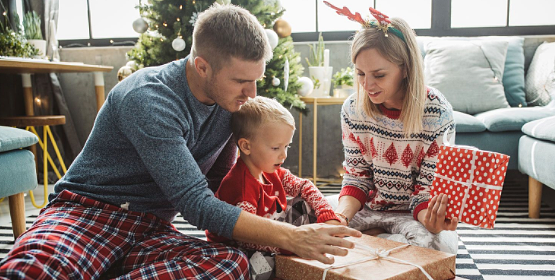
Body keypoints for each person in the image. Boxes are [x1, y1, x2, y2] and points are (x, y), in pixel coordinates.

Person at [0, 4, 360, 280]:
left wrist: (279, 201)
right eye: (240, 81)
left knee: (230, 265)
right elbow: (196, 204)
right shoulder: (148, 98)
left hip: (152, 228)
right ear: (202, 66)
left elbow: (220, 186)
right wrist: (291, 237)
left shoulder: (229, 103)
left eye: (256, 80)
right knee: (30, 272)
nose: (252, 94)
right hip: (88, 214)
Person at [324, 2, 458, 254]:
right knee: (304, 213)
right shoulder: (353, 108)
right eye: (361, 73)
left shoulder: (436, 112)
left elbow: (427, 189)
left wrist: (431, 220)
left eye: (379, 75)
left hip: (411, 217)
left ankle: (371, 243)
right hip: (366, 209)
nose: (367, 85)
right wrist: (340, 218)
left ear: (405, 68)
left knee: (435, 247)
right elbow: (357, 176)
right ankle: (377, 242)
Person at [206, 96, 344, 280]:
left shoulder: (270, 169)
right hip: (241, 245)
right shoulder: (241, 186)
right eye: (275, 148)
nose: (284, 154)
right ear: (246, 146)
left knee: (306, 205)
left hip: (272, 228)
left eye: (287, 146)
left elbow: (304, 186)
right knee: (259, 265)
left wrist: (327, 216)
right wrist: (292, 245)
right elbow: (247, 237)